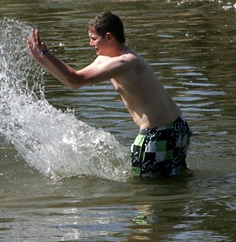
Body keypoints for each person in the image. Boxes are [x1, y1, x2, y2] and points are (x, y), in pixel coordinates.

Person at [27, 12, 191, 178]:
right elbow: (73, 83)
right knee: (174, 181)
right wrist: (41, 58)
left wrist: (46, 54)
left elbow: (76, 79)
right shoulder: (108, 58)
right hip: (178, 126)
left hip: (159, 133)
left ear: (109, 37)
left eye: (93, 38)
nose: (90, 43)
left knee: (146, 191)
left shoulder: (125, 61)